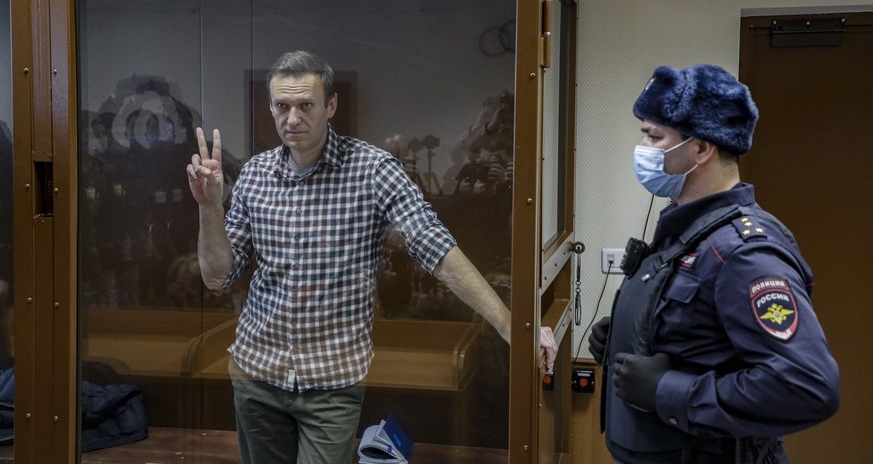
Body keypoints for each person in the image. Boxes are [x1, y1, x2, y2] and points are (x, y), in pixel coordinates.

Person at [187, 50, 557, 464]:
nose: (292, 118)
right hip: (258, 372)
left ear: (331, 106)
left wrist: (509, 322)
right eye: (282, 106)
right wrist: (210, 207)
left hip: (331, 380)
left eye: (306, 105)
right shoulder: (256, 174)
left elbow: (434, 247)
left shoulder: (372, 169)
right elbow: (217, 275)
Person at [588, 64, 839, 463]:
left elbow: (807, 386)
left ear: (701, 148)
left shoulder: (743, 252)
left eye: (654, 136)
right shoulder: (686, 227)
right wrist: (625, 332)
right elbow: (697, 335)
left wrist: (667, 390)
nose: (642, 147)